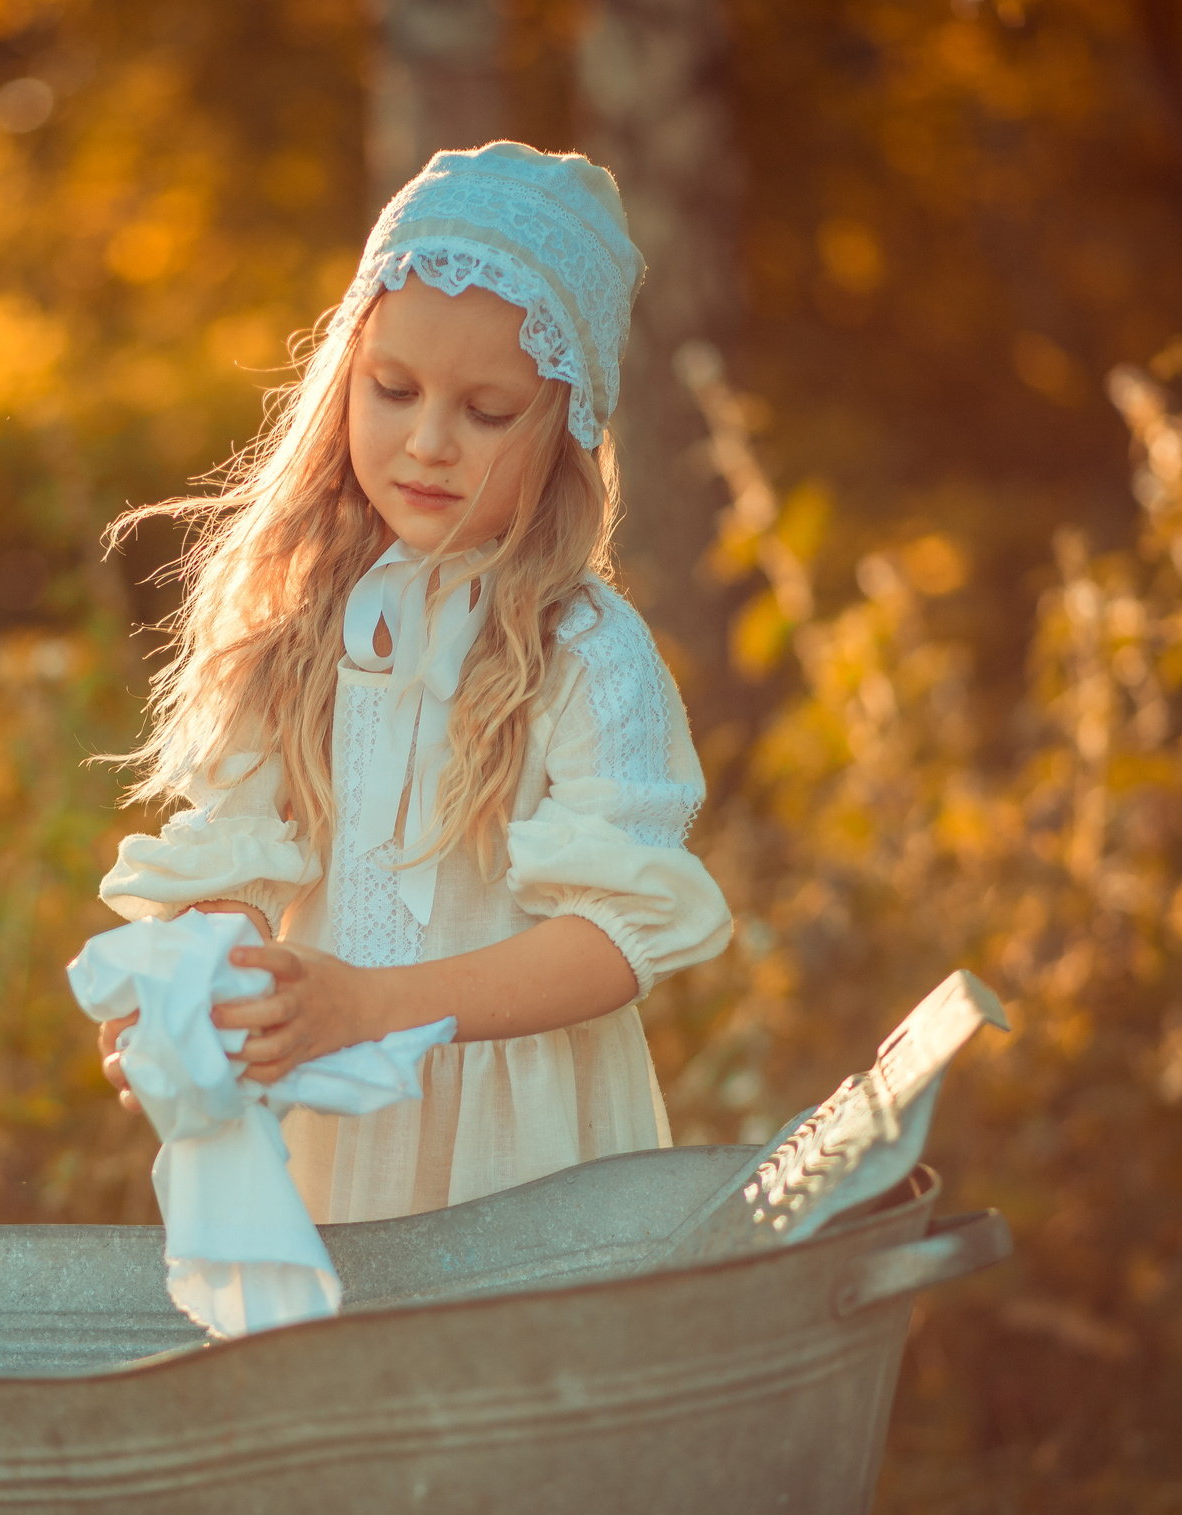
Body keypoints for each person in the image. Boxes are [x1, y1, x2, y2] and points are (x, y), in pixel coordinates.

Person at [95, 142, 735, 1224]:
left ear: (568, 426)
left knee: (498, 1383)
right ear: (346, 373)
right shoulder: (294, 621)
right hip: (328, 1124)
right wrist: (200, 989)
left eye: (487, 411)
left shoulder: (582, 652)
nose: (429, 443)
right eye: (392, 389)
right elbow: (238, 863)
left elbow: (618, 937)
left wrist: (374, 1005)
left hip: (522, 1144)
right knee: (339, 1380)